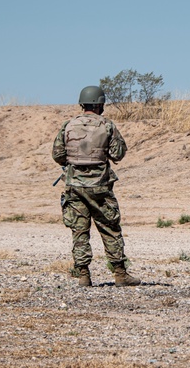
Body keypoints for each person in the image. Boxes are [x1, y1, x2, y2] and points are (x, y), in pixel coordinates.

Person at [52, 85, 141, 287]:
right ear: (100, 105)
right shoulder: (107, 125)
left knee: (79, 231)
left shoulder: (68, 125)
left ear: (82, 104)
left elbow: (57, 155)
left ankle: (83, 275)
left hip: (74, 185)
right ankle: (120, 274)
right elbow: (118, 153)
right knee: (110, 228)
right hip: (100, 187)